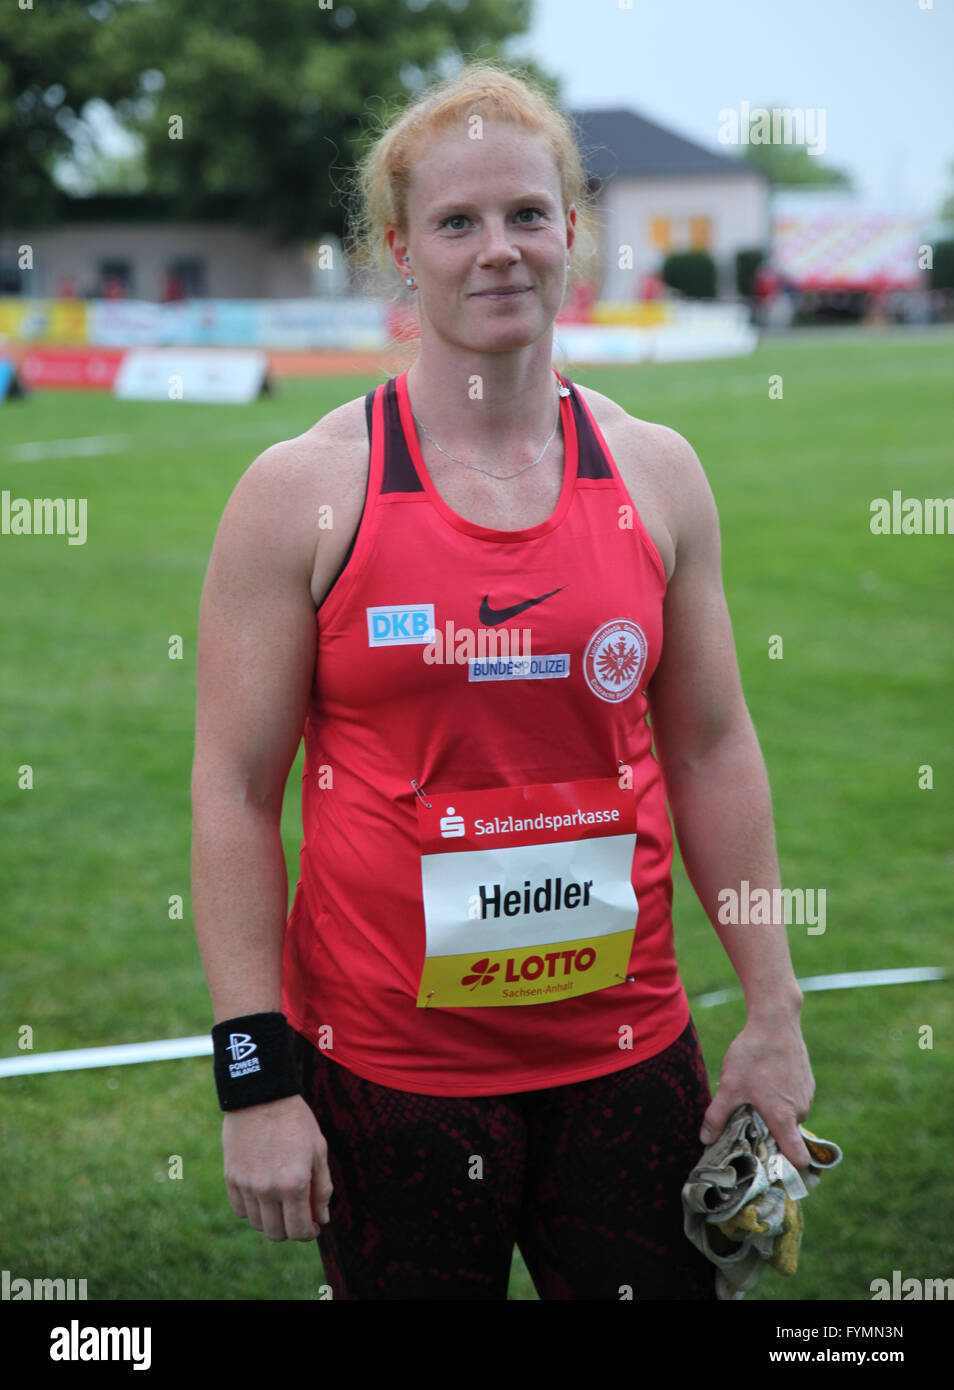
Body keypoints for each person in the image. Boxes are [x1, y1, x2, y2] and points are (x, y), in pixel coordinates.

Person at [190, 60, 815, 1302]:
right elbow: (234, 793)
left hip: (629, 1059)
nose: (499, 251)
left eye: (528, 214)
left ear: (572, 233)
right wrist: (257, 1084)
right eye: (457, 222)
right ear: (399, 254)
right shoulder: (303, 490)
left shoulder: (657, 472)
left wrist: (773, 1008)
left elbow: (709, 749)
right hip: (388, 1077)